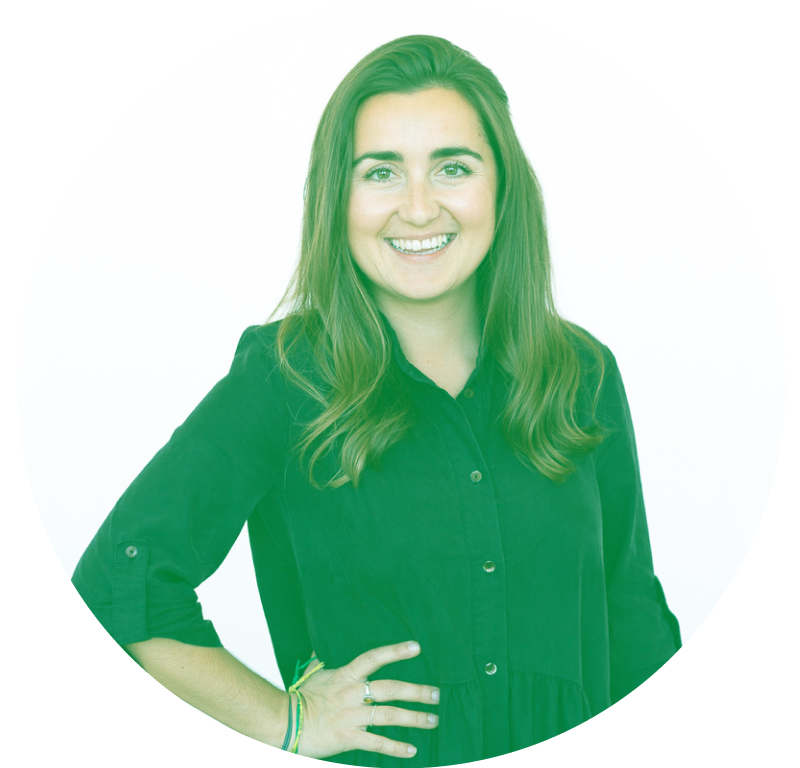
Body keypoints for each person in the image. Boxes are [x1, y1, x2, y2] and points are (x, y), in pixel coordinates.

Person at [71, 34, 683, 764]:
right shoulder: (285, 377)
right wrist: (282, 722)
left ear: (501, 189)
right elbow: (121, 579)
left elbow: (633, 627)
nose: (419, 208)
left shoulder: (580, 373)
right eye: (382, 173)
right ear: (341, 198)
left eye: (453, 168)